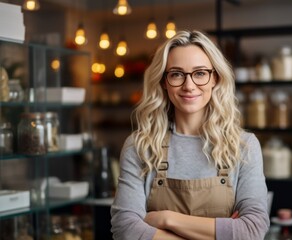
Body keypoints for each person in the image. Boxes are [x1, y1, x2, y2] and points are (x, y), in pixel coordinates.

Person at [110, 30, 269, 240]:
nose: (189, 85)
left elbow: (252, 229)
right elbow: (125, 229)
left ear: (215, 78)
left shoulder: (243, 146)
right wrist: (223, 231)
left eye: (200, 73)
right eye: (176, 74)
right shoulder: (140, 146)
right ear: (163, 82)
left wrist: (166, 219)